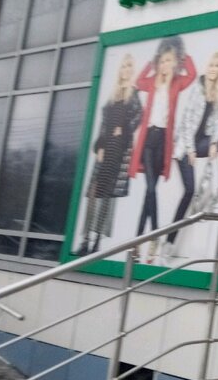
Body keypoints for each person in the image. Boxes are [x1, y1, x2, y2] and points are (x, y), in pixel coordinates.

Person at [129, 36, 196, 261]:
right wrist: (151, 63)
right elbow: (138, 81)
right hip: (148, 139)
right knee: (151, 188)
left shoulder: (176, 82)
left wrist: (183, 57)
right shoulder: (151, 82)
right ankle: (155, 235)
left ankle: (137, 243)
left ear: (174, 63)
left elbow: (192, 74)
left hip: (163, 142)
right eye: (163, 61)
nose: (166, 65)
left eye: (170, 61)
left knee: (149, 193)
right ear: (159, 62)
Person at [163, 51, 218, 260]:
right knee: (189, 191)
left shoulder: (217, 92)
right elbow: (186, 121)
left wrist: (214, 142)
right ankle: (169, 241)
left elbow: (217, 122)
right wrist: (190, 150)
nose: (213, 69)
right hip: (185, 147)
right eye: (211, 65)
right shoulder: (198, 88)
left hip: (202, 142)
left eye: (217, 66)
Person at [75, 54, 141, 255]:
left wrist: (125, 129)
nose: (126, 70)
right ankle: (85, 240)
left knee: (107, 196)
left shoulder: (133, 94)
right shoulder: (113, 95)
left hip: (119, 150)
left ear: (132, 70)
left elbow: (139, 116)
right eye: (124, 66)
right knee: (93, 193)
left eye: (129, 66)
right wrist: (100, 147)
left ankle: (96, 241)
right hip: (106, 148)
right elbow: (104, 125)